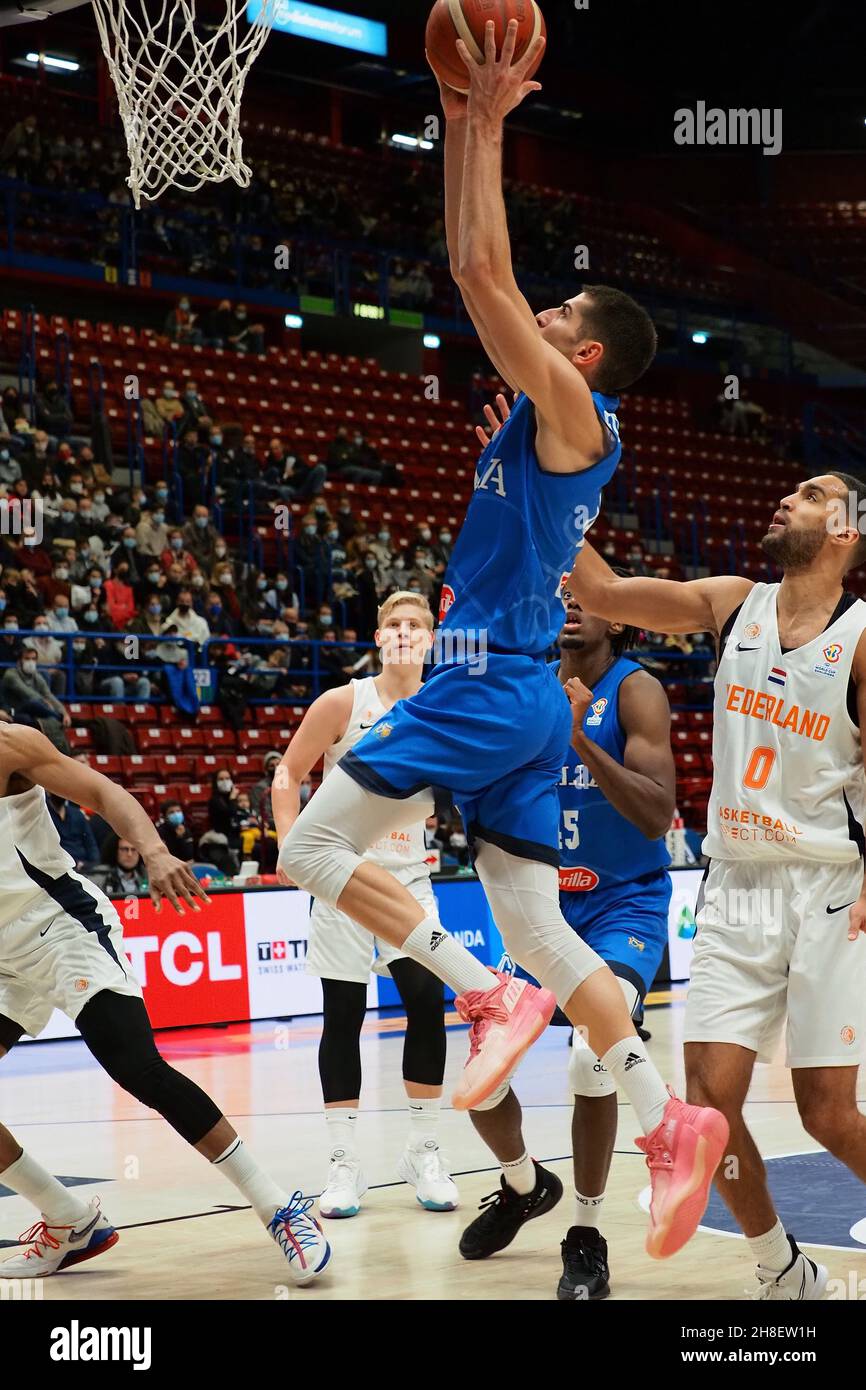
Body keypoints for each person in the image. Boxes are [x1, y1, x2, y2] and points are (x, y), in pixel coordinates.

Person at [280, 25, 724, 1265]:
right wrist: (461, 106)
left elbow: (477, 270)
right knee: (537, 924)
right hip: (524, 698)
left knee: (313, 843)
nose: (540, 308)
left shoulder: (577, 409)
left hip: (484, 687)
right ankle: (665, 1116)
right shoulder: (556, 430)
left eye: (560, 310)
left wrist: (473, 116)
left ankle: (471, 992)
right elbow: (588, 575)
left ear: (582, 355)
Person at [569, 469, 866, 1299]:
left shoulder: (864, 635)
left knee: (827, 1115)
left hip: (829, 887)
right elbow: (601, 588)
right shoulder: (733, 602)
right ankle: (780, 1268)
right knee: (710, 1108)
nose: (786, 498)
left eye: (810, 494)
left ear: (846, 529)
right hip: (733, 880)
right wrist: (535, 482)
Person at [0, 725, 329, 1285]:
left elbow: (102, 793)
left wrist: (153, 851)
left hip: (60, 929)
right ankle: (69, 1219)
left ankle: (279, 1208)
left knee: (136, 1067)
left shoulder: (9, 744)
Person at [459, 571, 676, 1300]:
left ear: (618, 618)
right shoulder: (527, 689)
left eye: (585, 597)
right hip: (540, 908)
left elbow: (656, 816)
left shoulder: (636, 689)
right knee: (483, 1069)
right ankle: (524, 1185)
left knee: (592, 1056)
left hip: (622, 905)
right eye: (560, 598)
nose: (572, 605)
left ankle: (585, 1231)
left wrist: (581, 739)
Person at [273, 593, 457, 1218]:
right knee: (343, 1014)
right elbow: (287, 773)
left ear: (432, 639)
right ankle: (343, 1162)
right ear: (378, 636)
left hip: (411, 876)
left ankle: (423, 1149)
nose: (405, 633)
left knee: (429, 1004)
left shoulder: (446, 707)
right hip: (340, 877)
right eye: (395, 625)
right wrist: (288, 846)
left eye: (417, 626)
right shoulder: (343, 702)